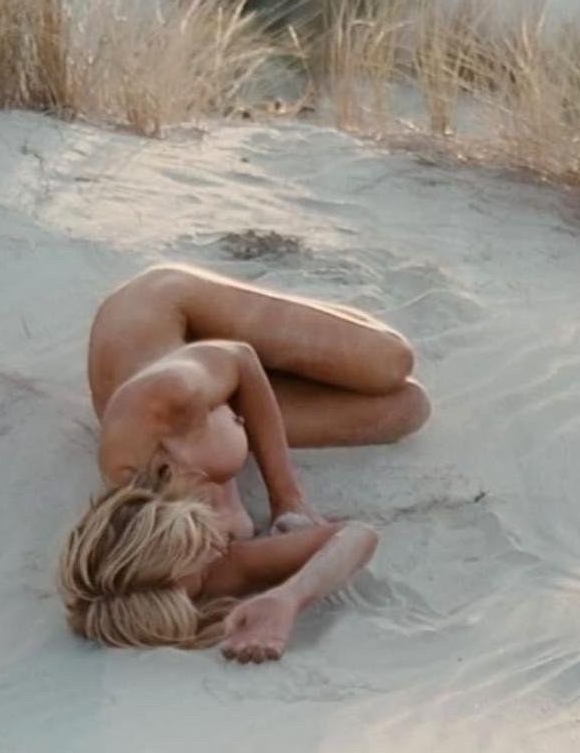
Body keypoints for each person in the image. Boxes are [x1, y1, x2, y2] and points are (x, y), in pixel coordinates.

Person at [58, 264, 430, 661]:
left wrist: (286, 498)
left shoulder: (156, 412)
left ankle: (286, 338)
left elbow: (240, 358)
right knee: (408, 409)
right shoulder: (191, 577)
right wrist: (288, 598)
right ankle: (270, 370)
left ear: (164, 548)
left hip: (171, 311)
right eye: (200, 587)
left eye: (199, 566)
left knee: (392, 361)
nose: (216, 559)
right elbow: (354, 536)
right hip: (212, 396)